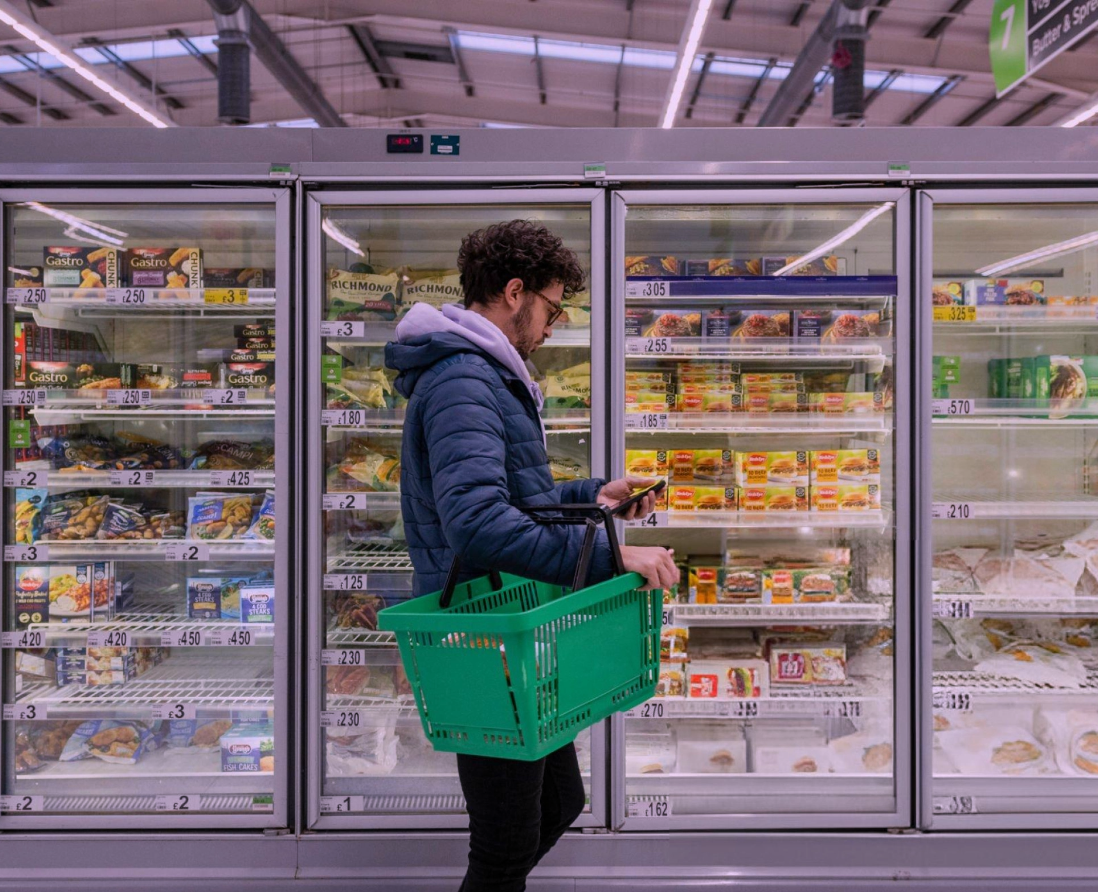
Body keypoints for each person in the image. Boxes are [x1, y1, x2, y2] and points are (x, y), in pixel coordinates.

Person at [385, 219, 679, 892]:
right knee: (504, 846)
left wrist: (592, 500)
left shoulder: (485, 372)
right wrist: (614, 558)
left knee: (559, 803)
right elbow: (479, 525)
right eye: (552, 307)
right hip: (481, 632)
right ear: (515, 293)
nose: (553, 325)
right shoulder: (463, 379)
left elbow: (511, 497)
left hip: (509, 623)